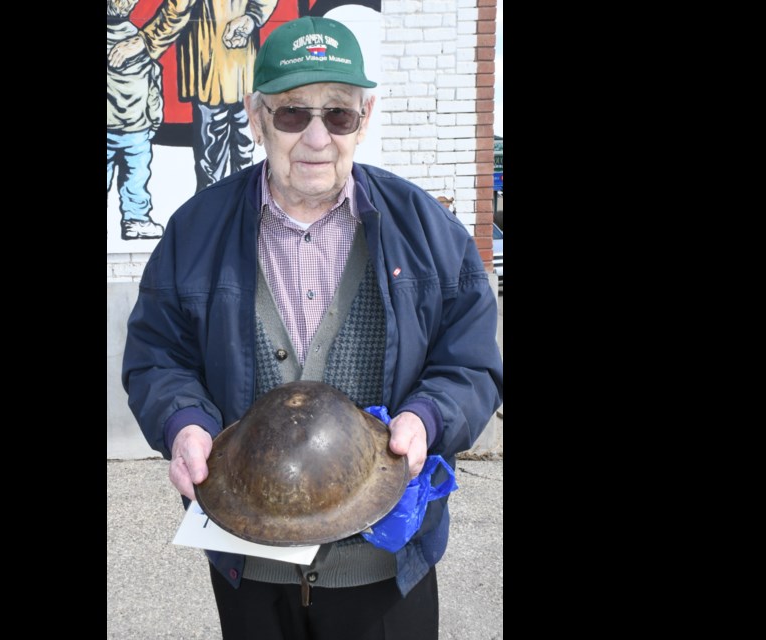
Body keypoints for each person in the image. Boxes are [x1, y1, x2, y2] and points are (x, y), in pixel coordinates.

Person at [122, 15, 503, 640]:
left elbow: (470, 363)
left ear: (366, 115)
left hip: (384, 563)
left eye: (339, 114)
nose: (317, 138)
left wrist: (428, 417)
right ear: (256, 115)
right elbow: (158, 356)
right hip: (248, 556)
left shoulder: (430, 233)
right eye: (293, 113)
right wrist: (182, 422)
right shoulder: (196, 232)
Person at [108, 0, 279, 193]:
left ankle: (218, 215)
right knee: (241, 153)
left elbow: (179, 8)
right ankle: (240, 212)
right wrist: (252, 17)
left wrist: (146, 40)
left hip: (213, 69)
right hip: (239, 68)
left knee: (214, 161)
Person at [107, 0, 166, 240]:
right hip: (137, 130)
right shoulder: (139, 43)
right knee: (136, 178)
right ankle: (136, 221)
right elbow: (154, 85)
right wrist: (155, 121)